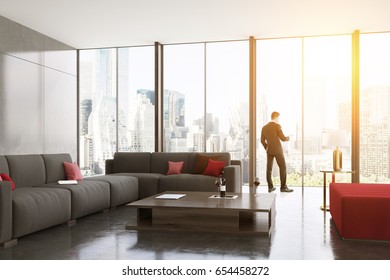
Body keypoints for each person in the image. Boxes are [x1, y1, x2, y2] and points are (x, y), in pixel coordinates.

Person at [261, 111, 293, 193]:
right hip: (278, 150)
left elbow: (262, 141)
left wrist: (267, 147)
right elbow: (282, 138)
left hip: (269, 150)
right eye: (279, 118)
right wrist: (289, 138)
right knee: (283, 167)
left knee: (269, 169)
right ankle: (283, 187)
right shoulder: (277, 126)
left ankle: (270, 187)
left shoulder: (264, 128)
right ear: (276, 117)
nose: (279, 120)